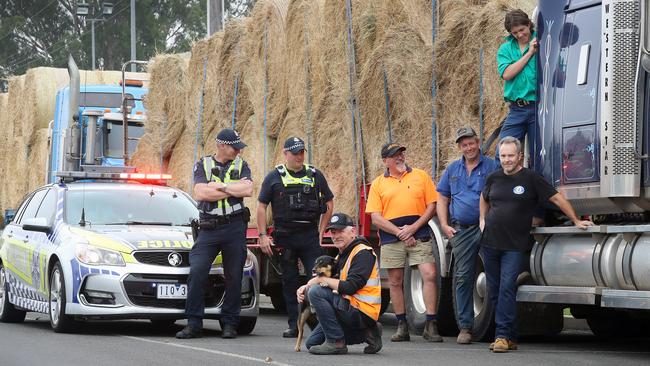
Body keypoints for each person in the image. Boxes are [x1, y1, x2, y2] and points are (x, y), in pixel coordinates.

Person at [479, 136, 593, 353]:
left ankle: (501, 335)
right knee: (493, 291)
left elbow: (557, 199)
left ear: (520, 156)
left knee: (506, 289)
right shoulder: (493, 178)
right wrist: (482, 220)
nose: (506, 160)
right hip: (490, 243)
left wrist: (576, 219)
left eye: (510, 156)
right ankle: (510, 337)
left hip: (514, 245)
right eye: (503, 156)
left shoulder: (530, 178)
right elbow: (484, 198)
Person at [176, 128, 253, 340]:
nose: (238, 151)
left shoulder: (242, 165)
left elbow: (247, 190)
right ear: (221, 145)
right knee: (198, 272)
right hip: (209, 228)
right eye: (234, 147)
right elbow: (200, 192)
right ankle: (193, 323)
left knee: (234, 276)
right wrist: (231, 188)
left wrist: (219, 186)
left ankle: (229, 323)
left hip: (235, 227)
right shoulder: (203, 164)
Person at [257, 136, 334, 338]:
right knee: (290, 282)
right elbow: (261, 206)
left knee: (321, 278)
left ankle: (323, 324)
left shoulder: (315, 174)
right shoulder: (274, 176)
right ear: (285, 153)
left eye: (301, 152)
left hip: (309, 235)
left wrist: (321, 231)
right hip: (285, 237)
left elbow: (329, 202)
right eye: (295, 152)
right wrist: (263, 235)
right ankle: (294, 324)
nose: (299, 156)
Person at [365, 142, 443, 342]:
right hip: (392, 236)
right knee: (395, 281)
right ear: (385, 161)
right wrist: (400, 233)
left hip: (419, 232)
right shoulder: (378, 183)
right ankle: (402, 325)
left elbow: (432, 206)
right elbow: (376, 217)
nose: (399, 157)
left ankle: (431, 324)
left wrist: (413, 228)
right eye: (394, 155)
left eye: (401, 154)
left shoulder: (420, 176)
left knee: (430, 274)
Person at [436, 126, 499, 344]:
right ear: (460, 147)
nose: (468, 147)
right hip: (461, 230)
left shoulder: (492, 165)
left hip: (488, 227)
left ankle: (501, 328)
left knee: (495, 274)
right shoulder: (453, 169)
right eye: (464, 144)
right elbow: (442, 197)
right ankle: (465, 327)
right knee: (463, 277)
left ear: (478, 142)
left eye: (471, 143)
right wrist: (443, 224)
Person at [297, 213, 382, 355]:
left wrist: (318, 282)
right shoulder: (343, 253)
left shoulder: (363, 253)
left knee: (316, 292)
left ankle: (336, 342)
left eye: (341, 231)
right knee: (311, 343)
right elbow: (327, 277)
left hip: (363, 311)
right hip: (349, 306)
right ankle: (368, 334)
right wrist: (305, 286)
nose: (336, 236)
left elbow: (350, 287)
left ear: (353, 232)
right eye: (333, 232)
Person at [496, 9, 538, 163]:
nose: (520, 35)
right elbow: (507, 74)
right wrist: (530, 53)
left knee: (538, 155)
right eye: (515, 33)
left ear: (529, 24)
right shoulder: (505, 49)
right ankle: (501, 187)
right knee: (502, 153)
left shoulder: (543, 41)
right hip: (517, 108)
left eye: (522, 30)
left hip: (538, 107)